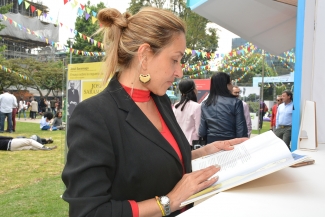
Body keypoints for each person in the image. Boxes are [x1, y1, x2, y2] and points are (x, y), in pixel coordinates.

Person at [61, 7, 248, 217]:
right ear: (145, 56)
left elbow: (154, 162)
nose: (179, 72)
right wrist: (169, 202)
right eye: (174, 60)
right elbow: (88, 211)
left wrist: (204, 152)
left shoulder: (160, 100)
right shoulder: (95, 115)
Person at [199, 72, 248, 143]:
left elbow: (202, 132)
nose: (232, 86)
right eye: (230, 83)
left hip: (211, 144)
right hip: (230, 144)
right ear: (226, 85)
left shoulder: (205, 104)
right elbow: (241, 130)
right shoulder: (236, 102)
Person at [173, 79, 201, 147]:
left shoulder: (176, 106)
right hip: (192, 143)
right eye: (196, 87)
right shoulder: (197, 106)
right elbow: (198, 131)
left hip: (178, 143)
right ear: (193, 90)